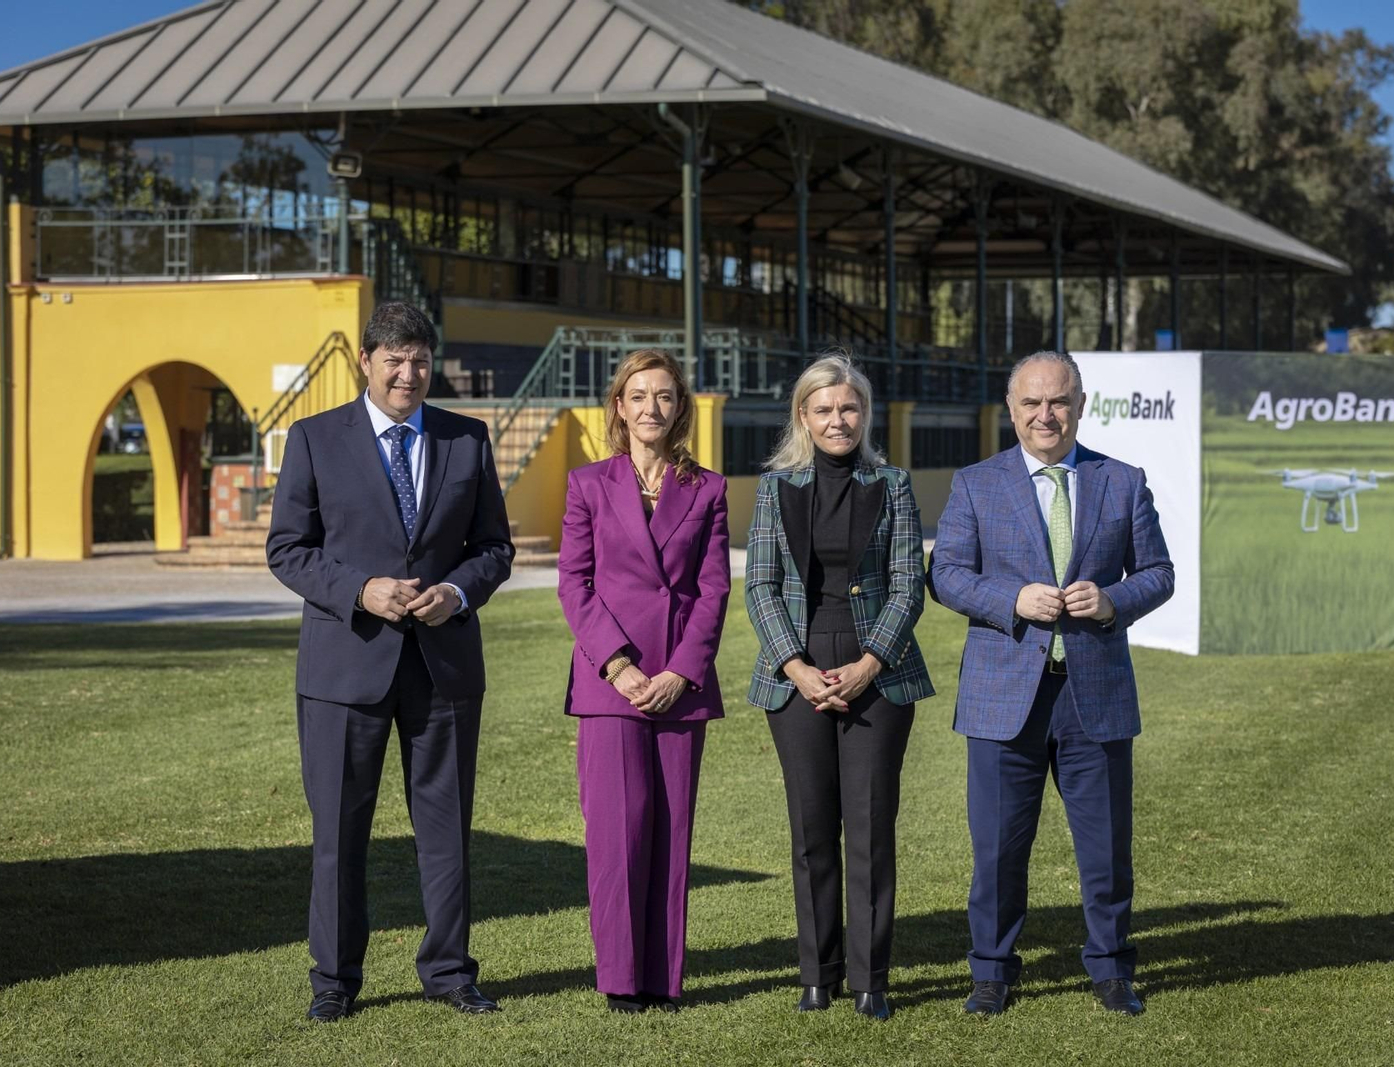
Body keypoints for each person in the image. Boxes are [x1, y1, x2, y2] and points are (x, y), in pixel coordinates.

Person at [266, 301, 515, 1023]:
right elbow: (288, 548)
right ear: (365, 363)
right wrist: (360, 590)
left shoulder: (467, 439)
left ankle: (449, 971)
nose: (409, 373)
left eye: (420, 360)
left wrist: (457, 592)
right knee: (340, 833)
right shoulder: (314, 439)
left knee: (446, 829)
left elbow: (493, 548)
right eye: (395, 359)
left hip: (443, 669)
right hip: (346, 668)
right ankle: (335, 982)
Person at [927, 350, 1174, 1018]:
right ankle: (992, 971)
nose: (1046, 415)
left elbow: (1159, 571)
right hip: (1003, 694)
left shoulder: (1122, 481)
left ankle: (1112, 968)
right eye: (1032, 403)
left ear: (1081, 405)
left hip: (1095, 693)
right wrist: (1012, 598)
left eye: (1059, 401)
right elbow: (945, 572)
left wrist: (1114, 600)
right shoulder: (976, 484)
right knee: (999, 849)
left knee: (1106, 849)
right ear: (1011, 409)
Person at [744, 354, 933, 1022]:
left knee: (871, 829)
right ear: (803, 415)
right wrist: (795, 667)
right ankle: (817, 975)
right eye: (823, 409)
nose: (837, 420)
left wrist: (869, 662)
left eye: (848, 408)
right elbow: (760, 586)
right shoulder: (775, 490)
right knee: (812, 830)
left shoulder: (895, 484)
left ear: (864, 413)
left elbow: (910, 584)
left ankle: (869, 979)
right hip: (796, 675)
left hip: (876, 676)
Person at [557, 349, 731, 1014]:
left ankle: (663, 976)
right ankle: (622, 979)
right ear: (619, 407)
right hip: (611, 684)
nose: (651, 407)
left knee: (670, 829)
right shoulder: (587, 485)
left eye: (664, 396)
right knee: (617, 833)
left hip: (679, 684)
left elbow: (713, 589)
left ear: (678, 407)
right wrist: (621, 665)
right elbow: (575, 583)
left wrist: (681, 670)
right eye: (639, 395)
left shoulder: (709, 489)